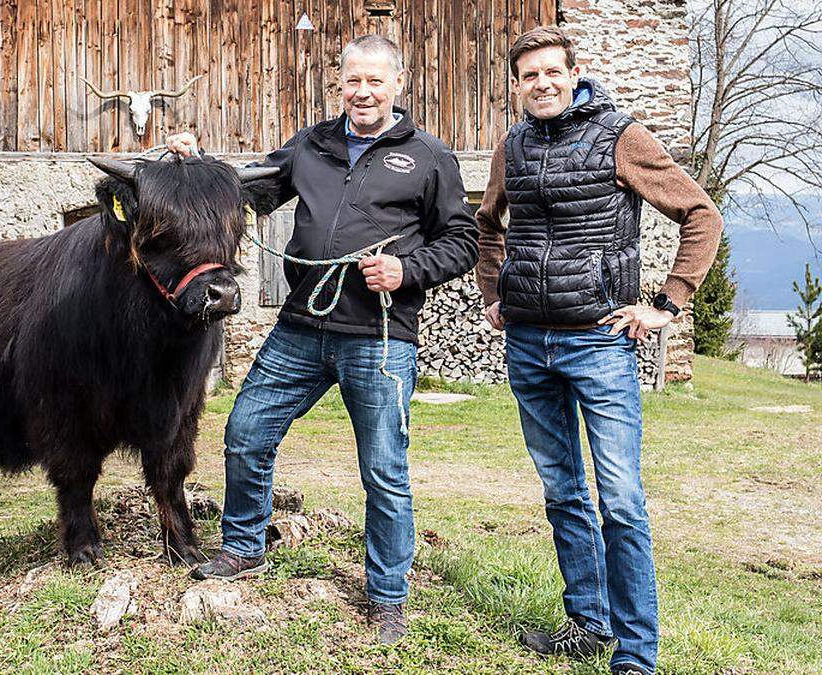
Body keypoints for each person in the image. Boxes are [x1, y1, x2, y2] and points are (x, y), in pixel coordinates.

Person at [167, 35, 478, 644]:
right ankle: (244, 547)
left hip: (381, 336)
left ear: (398, 83)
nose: (363, 93)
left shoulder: (428, 157)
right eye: (352, 82)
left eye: (375, 82)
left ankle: (387, 595)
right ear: (340, 85)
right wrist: (197, 160)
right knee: (246, 433)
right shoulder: (311, 144)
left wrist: (406, 271)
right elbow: (247, 190)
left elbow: (463, 240)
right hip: (301, 328)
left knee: (384, 471)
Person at [474, 26, 723, 675]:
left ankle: (637, 655)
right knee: (562, 491)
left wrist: (666, 303)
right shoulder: (512, 145)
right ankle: (588, 622)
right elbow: (486, 223)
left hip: (600, 343)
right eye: (530, 75)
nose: (543, 83)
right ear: (518, 84)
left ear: (575, 71)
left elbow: (701, 214)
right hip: (528, 343)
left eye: (552, 71)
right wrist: (493, 292)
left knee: (620, 498)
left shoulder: (621, 135)